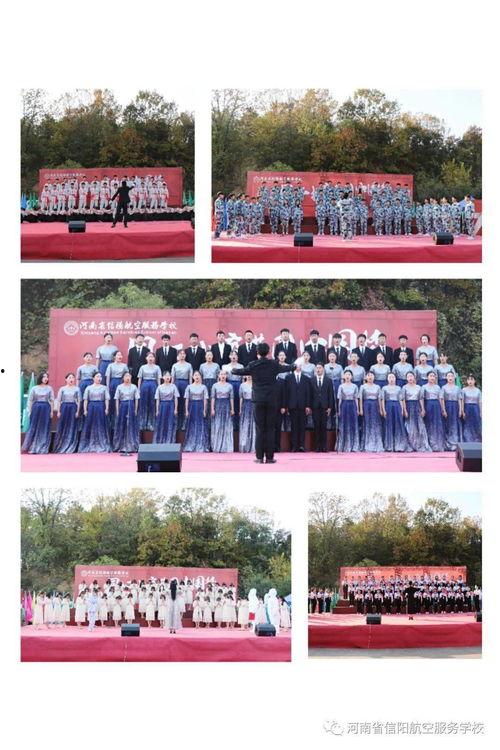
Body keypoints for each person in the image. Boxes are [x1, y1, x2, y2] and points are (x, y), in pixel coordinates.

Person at [232, 342, 295, 464]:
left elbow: (240, 371)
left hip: (258, 400)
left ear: (257, 353)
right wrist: (294, 366)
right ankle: (270, 458)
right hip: (271, 400)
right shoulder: (274, 364)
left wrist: (233, 369)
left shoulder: (253, 365)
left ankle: (259, 457)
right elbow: (287, 368)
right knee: (270, 429)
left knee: (260, 429)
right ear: (268, 352)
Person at [22, 373, 54, 454]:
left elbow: (52, 401)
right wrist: (29, 411)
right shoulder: (34, 388)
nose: (46, 378)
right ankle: (31, 446)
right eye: (44, 377)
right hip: (36, 408)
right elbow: (30, 400)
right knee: (34, 426)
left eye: (47, 377)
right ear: (40, 378)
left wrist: (51, 411)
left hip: (46, 408)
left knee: (44, 427)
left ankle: (42, 447)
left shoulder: (49, 388)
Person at [79, 372, 110, 453]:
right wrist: (85, 410)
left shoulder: (104, 388)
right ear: (93, 378)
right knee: (90, 424)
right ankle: (89, 444)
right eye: (97, 376)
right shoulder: (89, 388)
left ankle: (102, 444)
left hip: (101, 406)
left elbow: (106, 399)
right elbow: (86, 400)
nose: (99, 378)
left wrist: (106, 408)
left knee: (101, 424)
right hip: (91, 406)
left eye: (100, 377)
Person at [284, 364, 311, 452]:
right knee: (294, 426)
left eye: (300, 365)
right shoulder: (288, 377)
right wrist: (286, 405)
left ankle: (302, 445)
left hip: (303, 406)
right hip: (292, 405)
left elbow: (308, 392)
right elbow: (286, 392)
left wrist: (308, 405)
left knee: (302, 426)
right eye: (296, 365)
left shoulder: (306, 378)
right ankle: (294, 446)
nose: (298, 367)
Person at [401, 372, 431, 452]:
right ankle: (411, 444)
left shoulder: (419, 387)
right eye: (408, 376)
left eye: (411, 376)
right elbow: (403, 399)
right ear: (406, 378)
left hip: (417, 406)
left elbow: (421, 399)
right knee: (410, 426)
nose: (410, 378)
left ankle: (420, 444)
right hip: (408, 406)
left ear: (414, 377)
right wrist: (404, 410)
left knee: (420, 426)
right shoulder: (404, 387)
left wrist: (423, 409)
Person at [381, 374, 410, 452]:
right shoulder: (384, 388)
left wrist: (402, 409)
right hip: (388, 405)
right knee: (389, 425)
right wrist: (383, 410)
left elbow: (401, 399)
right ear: (387, 379)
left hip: (397, 406)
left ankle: (399, 445)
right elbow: (382, 400)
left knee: (398, 424)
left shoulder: (398, 388)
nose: (391, 379)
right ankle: (389, 446)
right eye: (390, 377)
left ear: (395, 378)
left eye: (393, 377)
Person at [53, 372, 81, 453]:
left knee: (72, 425)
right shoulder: (62, 389)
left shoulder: (77, 389)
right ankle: (60, 445)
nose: (71, 379)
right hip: (64, 407)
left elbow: (79, 401)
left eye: (72, 378)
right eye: (69, 378)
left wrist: (77, 411)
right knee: (63, 425)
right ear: (66, 379)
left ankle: (71, 446)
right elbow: (59, 400)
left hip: (73, 407)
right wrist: (58, 411)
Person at [113, 372, 140, 453]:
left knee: (131, 424)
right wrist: (117, 410)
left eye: (129, 376)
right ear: (123, 378)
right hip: (122, 405)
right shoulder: (119, 387)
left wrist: (135, 410)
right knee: (122, 423)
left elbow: (136, 399)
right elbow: (117, 399)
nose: (128, 378)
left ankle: (132, 445)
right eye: (126, 376)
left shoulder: (134, 386)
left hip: (131, 405)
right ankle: (120, 445)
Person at [310, 363, 334, 452]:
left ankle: (324, 446)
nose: (318, 369)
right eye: (317, 368)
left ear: (323, 369)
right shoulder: (311, 380)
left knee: (324, 426)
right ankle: (317, 446)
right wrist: (309, 406)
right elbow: (309, 394)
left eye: (320, 368)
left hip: (325, 406)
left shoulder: (328, 380)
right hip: (315, 406)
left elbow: (330, 394)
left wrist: (330, 407)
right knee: (316, 426)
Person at [183, 372, 209, 452]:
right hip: (192, 406)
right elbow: (187, 399)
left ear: (201, 377)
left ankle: (201, 444)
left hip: (200, 406)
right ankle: (190, 444)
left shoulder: (204, 387)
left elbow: (205, 399)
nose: (197, 377)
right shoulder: (189, 387)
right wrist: (186, 410)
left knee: (201, 424)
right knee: (191, 424)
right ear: (193, 377)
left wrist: (205, 410)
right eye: (195, 375)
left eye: (198, 375)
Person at [358, 371, 384, 452]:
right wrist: (361, 409)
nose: (370, 377)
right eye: (368, 375)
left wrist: (381, 409)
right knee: (367, 423)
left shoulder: (377, 387)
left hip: (375, 405)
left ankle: (376, 444)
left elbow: (379, 399)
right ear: (366, 377)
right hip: (366, 405)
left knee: (376, 423)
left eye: (372, 375)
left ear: (374, 377)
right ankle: (366, 444)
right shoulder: (362, 386)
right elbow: (360, 398)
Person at [420, 371, 446, 451]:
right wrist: (423, 409)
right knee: (429, 423)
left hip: (437, 405)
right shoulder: (424, 387)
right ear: (427, 377)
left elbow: (440, 399)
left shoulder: (438, 387)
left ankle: (438, 444)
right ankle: (429, 444)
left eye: (433, 376)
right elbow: (421, 398)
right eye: (430, 376)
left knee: (437, 424)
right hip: (428, 404)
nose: (432, 377)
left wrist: (443, 409)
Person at [210, 370, 235, 453]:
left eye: (224, 374)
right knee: (218, 425)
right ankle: (217, 446)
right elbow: (213, 398)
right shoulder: (215, 385)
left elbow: (231, 398)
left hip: (227, 405)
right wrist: (212, 409)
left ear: (226, 376)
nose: (223, 376)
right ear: (218, 376)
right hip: (218, 405)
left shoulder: (230, 386)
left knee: (227, 425)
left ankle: (227, 446)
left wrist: (232, 409)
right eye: (221, 374)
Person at [137, 353, 161, 432]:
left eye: (152, 357)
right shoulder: (142, 367)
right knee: (143, 404)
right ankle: (142, 424)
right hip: (144, 385)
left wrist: (159, 389)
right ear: (146, 358)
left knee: (152, 404)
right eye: (149, 357)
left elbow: (158, 379)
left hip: (153, 385)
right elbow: (140, 379)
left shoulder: (157, 367)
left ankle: (152, 424)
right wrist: (138, 389)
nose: (150, 358)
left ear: (154, 358)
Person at [336, 370, 360, 452]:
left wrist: (357, 409)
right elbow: (339, 399)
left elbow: (356, 398)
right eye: (346, 374)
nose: (347, 376)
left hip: (352, 405)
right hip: (344, 405)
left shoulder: (355, 386)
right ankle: (343, 445)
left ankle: (354, 446)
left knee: (353, 424)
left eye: (349, 374)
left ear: (351, 377)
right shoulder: (341, 386)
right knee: (344, 424)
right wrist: (339, 409)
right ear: (343, 376)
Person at [153, 372, 179, 444]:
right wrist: (157, 410)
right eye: (166, 376)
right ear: (162, 377)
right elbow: (157, 399)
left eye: (169, 376)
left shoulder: (173, 386)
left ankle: (170, 440)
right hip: (162, 406)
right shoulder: (159, 387)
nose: (167, 377)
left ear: (171, 377)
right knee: (162, 423)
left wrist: (175, 409)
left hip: (171, 405)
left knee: (170, 422)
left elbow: (176, 398)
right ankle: (160, 440)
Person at [171, 349, 193, 430]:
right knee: (177, 404)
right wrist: (172, 387)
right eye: (180, 354)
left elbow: (190, 377)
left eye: (184, 354)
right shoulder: (174, 365)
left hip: (186, 384)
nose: (182, 355)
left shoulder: (189, 365)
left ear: (185, 355)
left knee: (185, 404)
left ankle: (184, 424)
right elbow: (173, 378)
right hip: (177, 384)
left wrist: (191, 387)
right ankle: (176, 424)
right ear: (178, 355)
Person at [440, 372, 463, 451]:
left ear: (454, 378)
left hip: (455, 406)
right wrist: (443, 410)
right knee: (447, 424)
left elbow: (459, 399)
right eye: (448, 376)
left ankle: (456, 444)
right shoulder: (443, 387)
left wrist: (460, 410)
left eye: (451, 376)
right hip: (447, 406)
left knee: (455, 424)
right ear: (446, 377)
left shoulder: (457, 388)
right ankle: (447, 444)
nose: (450, 377)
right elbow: (442, 399)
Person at [105, 351, 129, 422]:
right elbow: (108, 376)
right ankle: (112, 421)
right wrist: (107, 386)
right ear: (114, 357)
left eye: (121, 355)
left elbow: (127, 376)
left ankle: (121, 419)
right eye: (118, 355)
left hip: (122, 383)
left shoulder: (124, 366)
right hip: (113, 383)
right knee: (113, 401)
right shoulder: (110, 365)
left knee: (121, 400)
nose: (120, 356)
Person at [461, 375, 482, 442]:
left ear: (474, 381)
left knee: (476, 424)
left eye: (472, 379)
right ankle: (467, 440)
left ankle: (477, 440)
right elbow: (462, 401)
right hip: (467, 408)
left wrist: (481, 412)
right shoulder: (463, 390)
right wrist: (462, 411)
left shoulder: (478, 390)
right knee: (467, 424)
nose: (470, 381)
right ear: (467, 381)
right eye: (469, 379)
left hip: (475, 409)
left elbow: (480, 402)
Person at [239, 376, 256, 453]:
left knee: (254, 425)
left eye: (250, 375)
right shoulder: (242, 385)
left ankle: (254, 446)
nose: (249, 376)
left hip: (254, 405)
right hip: (245, 406)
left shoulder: (256, 384)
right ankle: (244, 446)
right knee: (245, 424)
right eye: (247, 375)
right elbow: (241, 398)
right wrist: (240, 409)